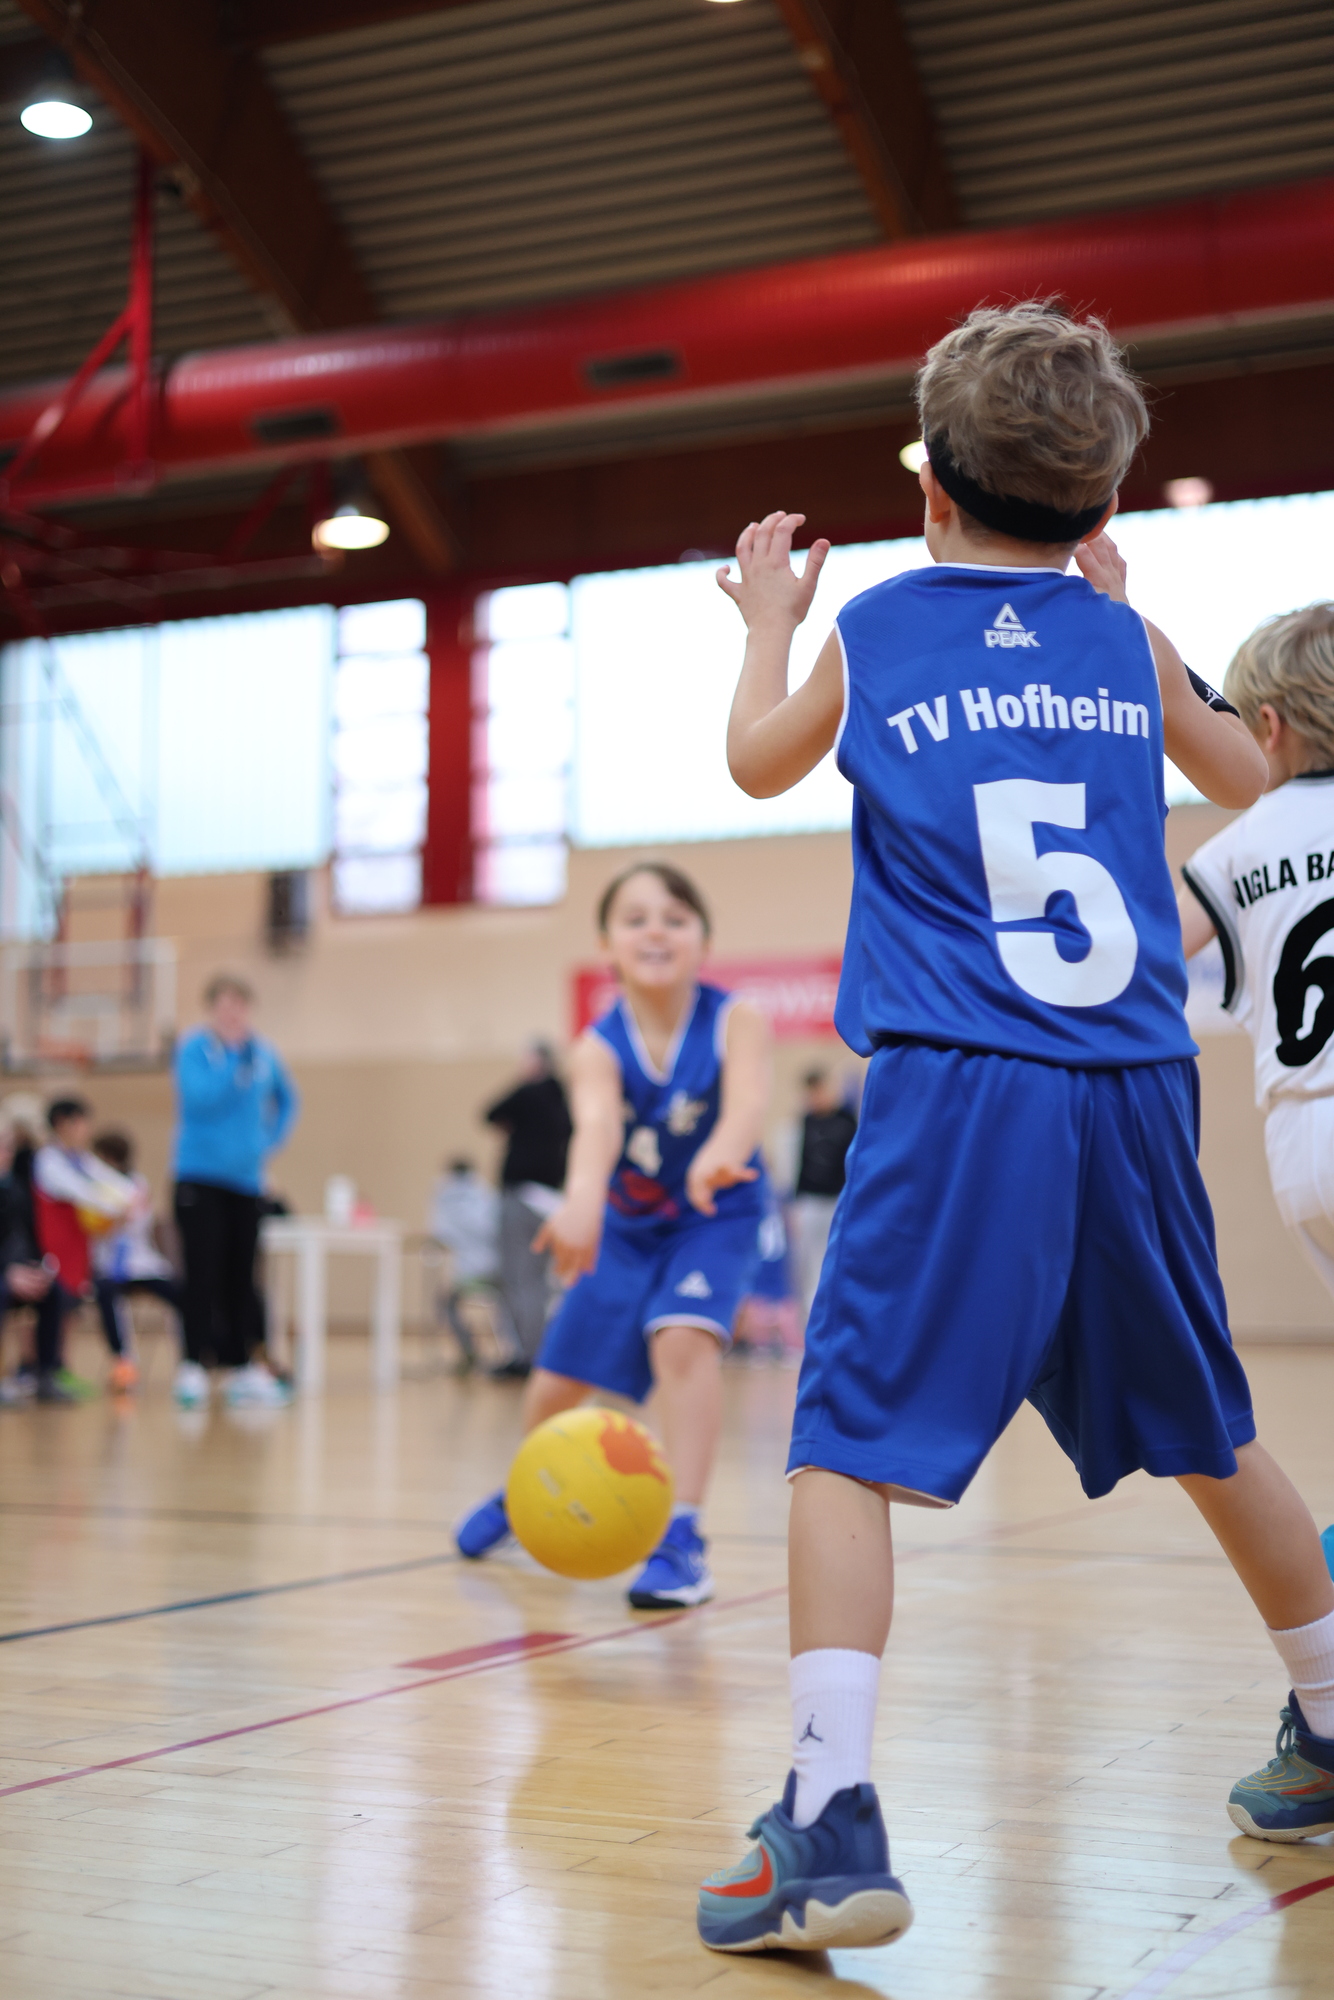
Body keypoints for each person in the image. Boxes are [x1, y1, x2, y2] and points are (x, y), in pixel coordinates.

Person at [693, 302, 1334, 1957]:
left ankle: (827, 1818)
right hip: (1131, 1086)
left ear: (927, 488)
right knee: (1206, 1429)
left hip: (959, 1083)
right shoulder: (1118, 640)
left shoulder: (880, 627)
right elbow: (1251, 779)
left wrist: (768, 621)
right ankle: (1332, 1719)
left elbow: (754, 763)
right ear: (1099, 506)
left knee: (844, 1446)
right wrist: (1128, 625)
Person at [456, 862, 771, 1609]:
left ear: (703, 940)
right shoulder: (595, 1048)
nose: (656, 930)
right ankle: (528, 1492)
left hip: (714, 1219)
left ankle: (682, 1537)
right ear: (607, 944)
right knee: (555, 1386)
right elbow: (596, 1127)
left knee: (682, 1342)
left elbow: (748, 1104)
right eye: (635, 919)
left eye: (674, 917)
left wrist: (723, 1152)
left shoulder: (737, 1019)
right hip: (628, 1229)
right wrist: (581, 1201)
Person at [173, 973, 298, 1409]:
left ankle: (240, 1363)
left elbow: (288, 1100)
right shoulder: (195, 1049)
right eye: (224, 1005)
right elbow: (201, 1099)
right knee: (201, 1272)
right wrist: (233, 1062)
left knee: (241, 1276)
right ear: (212, 1009)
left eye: (239, 1005)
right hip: (199, 1177)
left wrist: (268, 1141)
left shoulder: (264, 1053)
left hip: (246, 1181)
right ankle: (193, 1363)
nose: (232, 1013)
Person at [32, 1097, 135, 1394]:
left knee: (72, 1308)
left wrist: (130, 1197)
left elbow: (117, 1184)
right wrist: (115, 1205)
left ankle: (62, 1366)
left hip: (77, 1244)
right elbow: (82, 1191)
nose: (86, 1130)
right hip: (53, 1244)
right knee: (57, 1305)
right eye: (81, 1123)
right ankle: (47, 1368)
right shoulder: (49, 1160)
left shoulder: (79, 1158)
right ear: (63, 1124)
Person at [484, 1042, 572, 1377]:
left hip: (522, 1196)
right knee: (538, 1280)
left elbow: (490, 1113)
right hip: (550, 1199)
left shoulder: (528, 1092)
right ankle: (539, 1351)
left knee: (517, 1278)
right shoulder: (562, 1099)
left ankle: (525, 1355)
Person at [90, 1130, 185, 1392]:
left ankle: (190, 1360)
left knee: (183, 1295)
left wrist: (123, 1215)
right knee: (107, 1294)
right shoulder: (92, 1187)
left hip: (141, 1263)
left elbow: (139, 1221)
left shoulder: (137, 1184)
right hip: (108, 1264)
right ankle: (124, 1361)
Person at [0, 1114, 72, 1404]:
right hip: (4, 1277)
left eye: (8, 1146)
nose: (6, 1153)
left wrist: (36, 1267)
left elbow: (23, 1238)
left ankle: (45, 1375)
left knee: (54, 1292)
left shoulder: (15, 1189)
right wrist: (6, 1273)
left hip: (14, 1272)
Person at [790, 1070, 858, 1323]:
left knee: (833, 1256)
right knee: (807, 1261)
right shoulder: (807, 1121)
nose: (815, 1098)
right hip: (810, 1201)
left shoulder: (846, 1121)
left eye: (819, 1091)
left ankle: (833, 1313)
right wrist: (795, 1203)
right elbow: (801, 1163)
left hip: (838, 1200)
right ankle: (808, 1316)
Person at [429, 1156, 502, 1369]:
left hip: (470, 1275)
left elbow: (440, 1234)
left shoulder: (443, 1196)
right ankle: (512, 1353)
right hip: (498, 1271)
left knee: (445, 1303)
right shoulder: (486, 1194)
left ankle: (469, 1352)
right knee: (506, 1301)